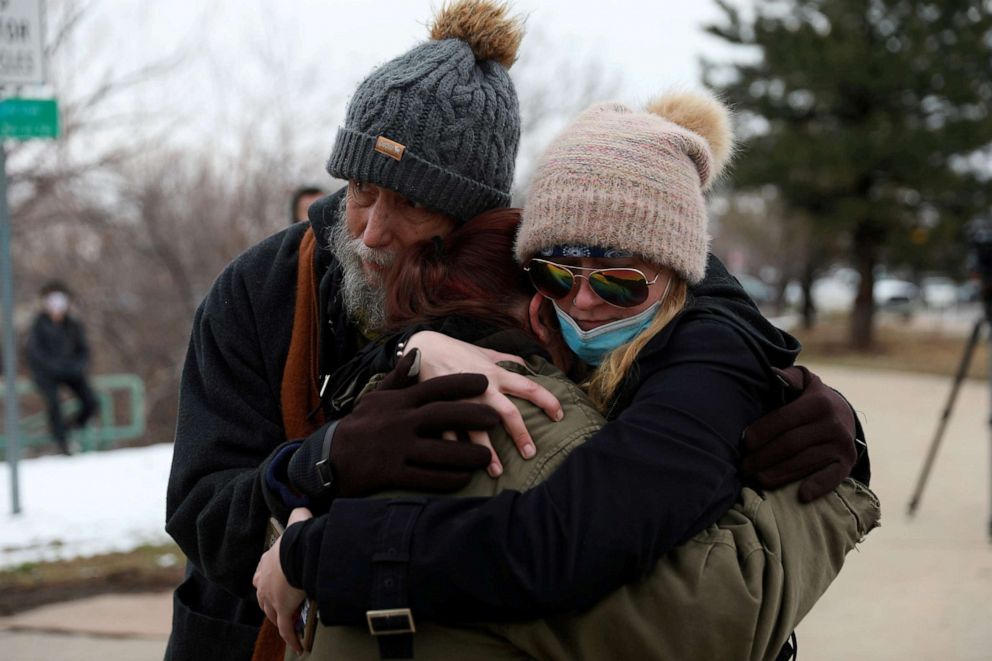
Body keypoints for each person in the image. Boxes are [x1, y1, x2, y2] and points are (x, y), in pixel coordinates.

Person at [165, 3, 863, 659]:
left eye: (409, 203)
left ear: (474, 221)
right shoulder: (258, 292)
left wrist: (784, 385)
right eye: (361, 190)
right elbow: (198, 510)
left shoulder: (535, 277)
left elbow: (663, 264)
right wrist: (325, 460)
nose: (373, 229)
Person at [256, 204, 877, 660]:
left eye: (616, 282)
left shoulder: (372, 406)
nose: (583, 302)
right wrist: (844, 473)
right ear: (535, 304)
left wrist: (304, 473)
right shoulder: (533, 418)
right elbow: (718, 609)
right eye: (559, 278)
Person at [25, 280, 98, 456]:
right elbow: (35, 353)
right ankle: (62, 441)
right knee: (54, 403)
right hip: (46, 375)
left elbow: (84, 351)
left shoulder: (73, 325)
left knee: (91, 401)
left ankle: (70, 428)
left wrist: (75, 367)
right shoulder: (38, 325)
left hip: (71, 371)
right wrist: (55, 368)